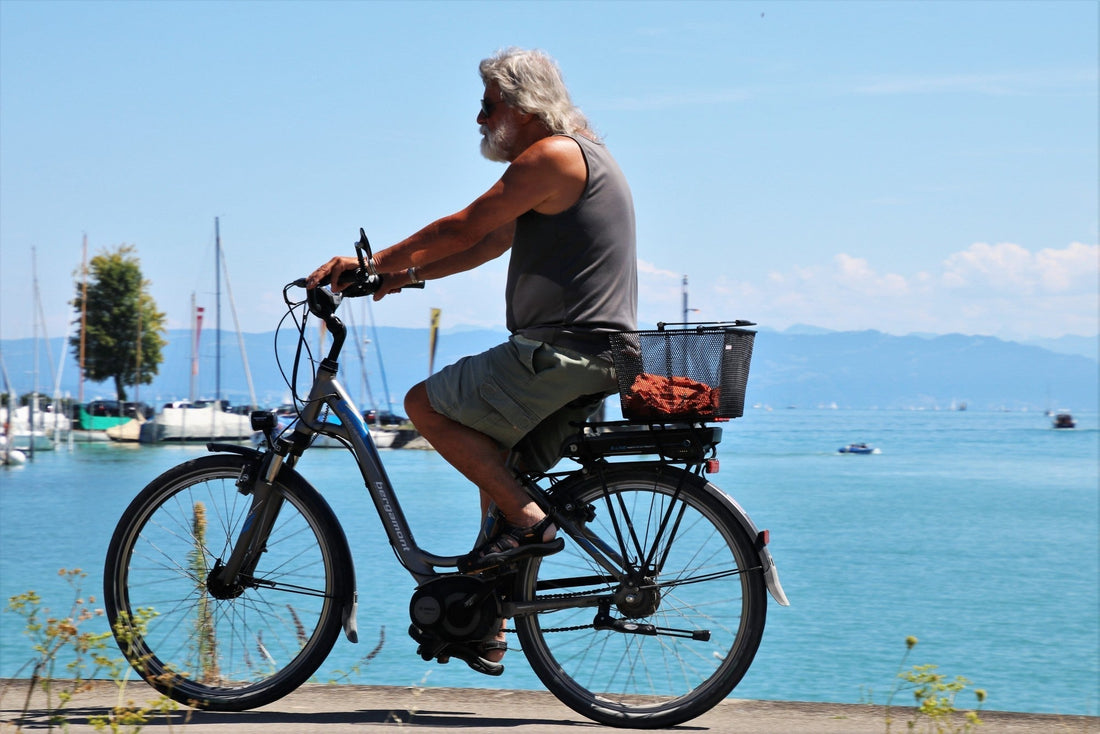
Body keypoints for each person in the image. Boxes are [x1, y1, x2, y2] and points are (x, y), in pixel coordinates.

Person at [307, 47, 637, 664]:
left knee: (423, 405)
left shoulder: (554, 155)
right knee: (495, 459)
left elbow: (462, 224)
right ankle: (488, 622)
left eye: (488, 106)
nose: (480, 119)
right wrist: (398, 280)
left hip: (563, 349)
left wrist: (372, 263)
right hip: (596, 353)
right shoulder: (577, 160)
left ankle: (536, 526)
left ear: (519, 105)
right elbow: (486, 243)